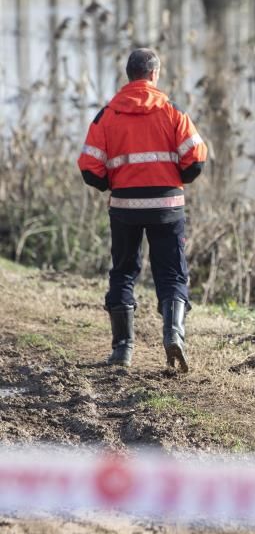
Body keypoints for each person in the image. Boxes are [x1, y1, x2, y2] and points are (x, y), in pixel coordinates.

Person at [77, 48, 207, 372]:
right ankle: (174, 333)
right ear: (154, 75)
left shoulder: (107, 114)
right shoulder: (172, 111)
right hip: (167, 205)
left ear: (129, 75)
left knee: (123, 272)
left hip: (124, 205)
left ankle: (122, 351)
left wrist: (112, 183)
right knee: (172, 274)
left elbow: (89, 167)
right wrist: (178, 178)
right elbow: (196, 158)